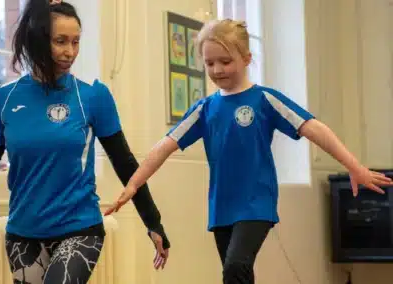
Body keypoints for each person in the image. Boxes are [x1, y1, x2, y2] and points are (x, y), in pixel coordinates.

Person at [104, 19, 393, 283]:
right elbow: (163, 147)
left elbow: (314, 128)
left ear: (246, 59)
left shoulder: (264, 99)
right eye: (210, 63)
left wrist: (355, 166)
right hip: (221, 206)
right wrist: (134, 183)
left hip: (256, 202)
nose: (217, 70)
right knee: (236, 274)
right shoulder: (205, 109)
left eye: (226, 61)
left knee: (235, 266)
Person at [0, 0, 170, 283]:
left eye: (76, 41)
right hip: (23, 233)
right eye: (60, 41)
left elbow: (124, 162)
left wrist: (153, 221)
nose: (70, 52)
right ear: (38, 40)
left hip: (79, 228)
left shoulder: (92, 97)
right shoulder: (3, 100)